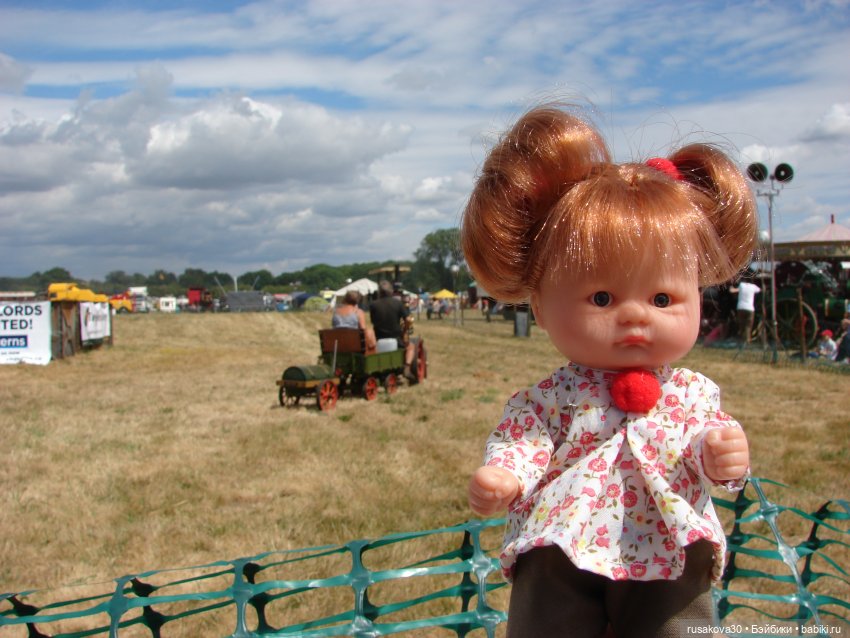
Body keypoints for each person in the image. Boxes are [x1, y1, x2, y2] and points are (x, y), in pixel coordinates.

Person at [461, 105, 754, 638]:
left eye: (663, 297)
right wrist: (507, 475)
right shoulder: (551, 397)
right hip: (563, 537)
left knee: (678, 623)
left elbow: (703, 446)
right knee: (548, 617)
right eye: (602, 297)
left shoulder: (692, 392)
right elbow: (527, 439)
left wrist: (722, 457)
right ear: (541, 306)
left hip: (669, 538)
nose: (636, 314)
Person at [369, 280, 416, 381]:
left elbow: (373, 322)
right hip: (395, 337)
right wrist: (405, 329)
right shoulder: (398, 303)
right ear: (391, 291)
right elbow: (408, 319)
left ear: (379, 292)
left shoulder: (373, 305)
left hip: (378, 338)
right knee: (411, 346)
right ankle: (407, 368)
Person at [729, 277, 761, 344]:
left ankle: (741, 339)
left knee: (741, 325)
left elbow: (733, 290)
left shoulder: (741, 285)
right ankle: (746, 340)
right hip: (750, 308)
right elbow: (760, 290)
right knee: (748, 325)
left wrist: (731, 288)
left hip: (740, 307)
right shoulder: (753, 287)